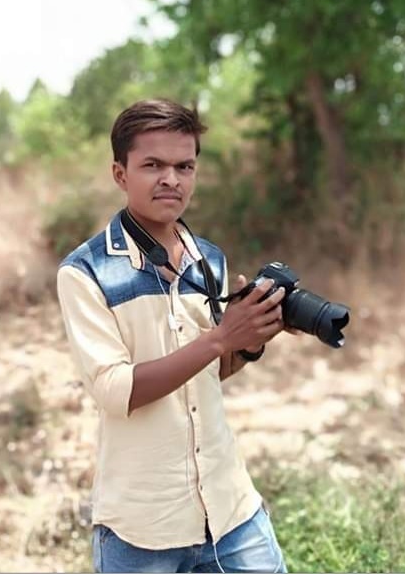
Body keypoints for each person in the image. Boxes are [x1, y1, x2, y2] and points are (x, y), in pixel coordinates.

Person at [57, 98, 288, 573]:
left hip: (229, 509)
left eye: (185, 166)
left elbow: (209, 373)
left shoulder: (209, 258)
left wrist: (248, 341)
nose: (172, 179)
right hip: (143, 527)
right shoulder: (85, 272)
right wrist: (219, 339)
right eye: (153, 165)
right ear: (120, 174)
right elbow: (115, 390)